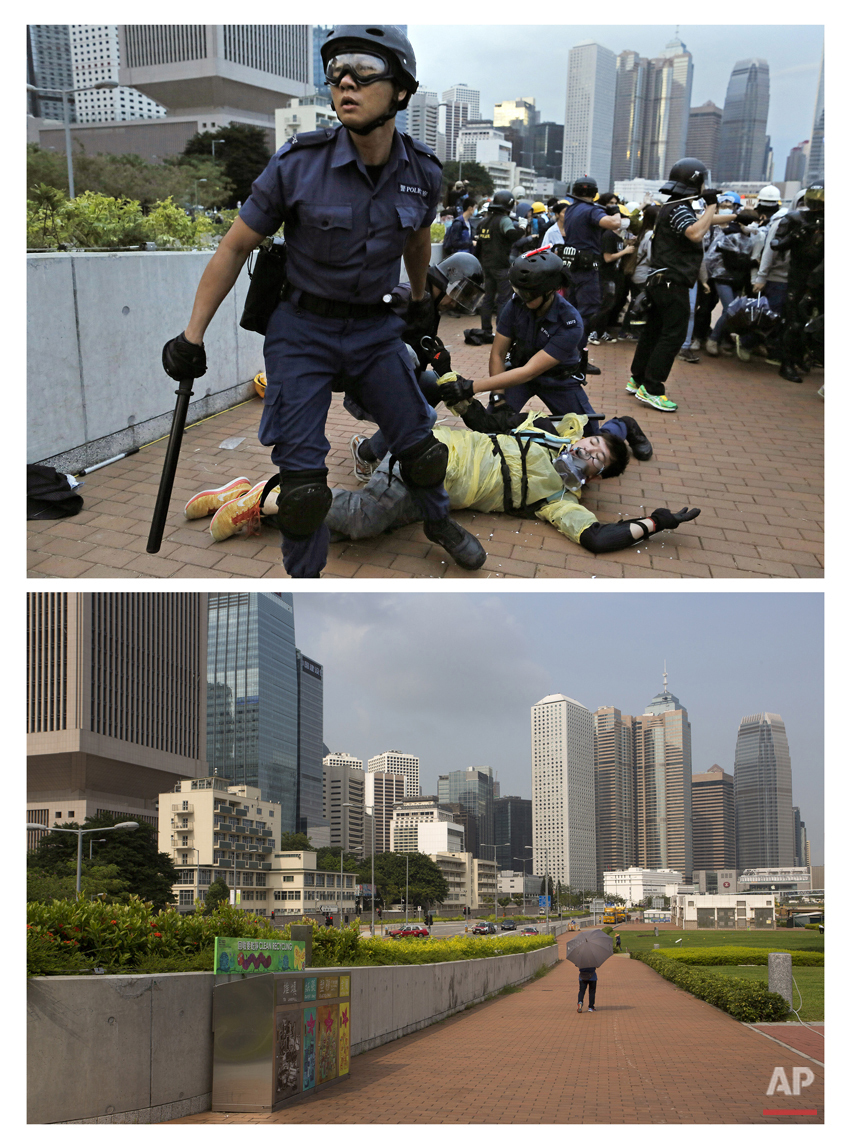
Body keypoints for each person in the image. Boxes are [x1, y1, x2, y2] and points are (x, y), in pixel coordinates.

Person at [161, 24, 484, 576]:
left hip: (375, 330)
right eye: (336, 74)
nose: (345, 83)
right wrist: (191, 336)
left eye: (364, 71)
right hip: (302, 331)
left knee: (424, 451)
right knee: (304, 489)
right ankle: (303, 577)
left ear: (401, 90)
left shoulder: (423, 172)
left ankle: (436, 519)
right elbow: (235, 246)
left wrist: (421, 298)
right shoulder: (298, 163)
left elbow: (417, 236)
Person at [348, 252, 485, 480]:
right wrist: (398, 347)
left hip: (401, 377)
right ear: (447, 281)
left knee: (438, 386)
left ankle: (378, 442)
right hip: (370, 383)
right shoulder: (408, 294)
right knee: (425, 417)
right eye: (458, 293)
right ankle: (370, 461)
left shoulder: (433, 301)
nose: (455, 302)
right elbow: (365, 329)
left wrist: (436, 358)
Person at [443, 249, 601, 428]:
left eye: (526, 294)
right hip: (517, 373)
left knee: (589, 430)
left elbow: (530, 371)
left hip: (558, 381)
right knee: (489, 426)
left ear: (549, 291)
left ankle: (621, 427)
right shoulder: (515, 305)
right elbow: (498, 354)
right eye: (517, 290)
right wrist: (498, 396)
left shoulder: (570, 324)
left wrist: (471, 387)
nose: (520, 297)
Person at [626, 158, 720, 412]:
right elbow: (695, 232)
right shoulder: (681, 209)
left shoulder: (673, 206)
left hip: (660, 281)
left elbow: (701, 223)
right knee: (673, 334)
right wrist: (711, 205)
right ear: (696, 182)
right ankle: (653, 387)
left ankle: (638, 379)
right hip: (672, 281)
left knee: (654, 331)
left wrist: (734, 216)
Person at [553, 177, 624, 380]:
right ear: (594, 194)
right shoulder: (592, 210)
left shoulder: (572, 209)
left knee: (571, 310)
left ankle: (565, 354)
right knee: (586, 312)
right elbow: (614, 223)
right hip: (586, 269)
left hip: (572, 267)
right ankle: (575, 358)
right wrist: (614, 210)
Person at [467, 190, 525, 343]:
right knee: (503, 300)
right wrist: (522, 229)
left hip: (486, 265)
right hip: (501, 265)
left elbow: (478, 247)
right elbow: (512, 235)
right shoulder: (504, 220)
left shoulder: (483, 222)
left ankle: (486, 331)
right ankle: (501, 333)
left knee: (488, 299)